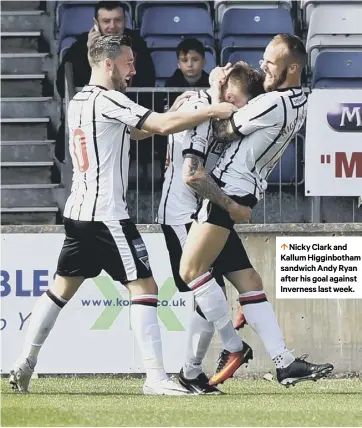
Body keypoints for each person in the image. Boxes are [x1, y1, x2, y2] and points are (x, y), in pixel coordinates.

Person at [8, 35, 237, 395]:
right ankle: (156, 379)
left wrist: (178, 110)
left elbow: (136, 131)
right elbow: (158, 126)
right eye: (129, 62)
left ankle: (25, 361)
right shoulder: (108, 99)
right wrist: (210, 110)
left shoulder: (79, 101)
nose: (134, 69)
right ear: (108, 63)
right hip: (107, 216)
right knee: (144, 288)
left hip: (78, 214)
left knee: (58, 291)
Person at [179, 34, 334, 387]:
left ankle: (234, 347)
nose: (264, 65)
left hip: (227, 190)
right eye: (264, 59)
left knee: (191, 271)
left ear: (291, 68)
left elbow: (221, 129)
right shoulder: (299, 101)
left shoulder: (272, 104)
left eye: (271, 61)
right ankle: (282, 361)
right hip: (247, 191)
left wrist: (215, 92)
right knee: (248, 282)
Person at [158, 62, 265, 394]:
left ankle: (194, 372)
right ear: (231, 95)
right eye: (245, 106)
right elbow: (191, 171)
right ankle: (230, 347)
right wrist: (232, 206)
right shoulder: (197, 107)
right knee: (205, 287)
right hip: (183, 214)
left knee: (237, 282)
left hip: (208, 210)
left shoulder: (212, 109)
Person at [56, 1, 155, 98]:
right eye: (106, 21)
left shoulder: (137, 43)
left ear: (125, 21)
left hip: (129, 108)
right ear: (96, 23)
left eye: (118, 20)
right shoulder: (82, 45)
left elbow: (148, 81)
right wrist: (89, 51)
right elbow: (62, 85)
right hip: (93, 108)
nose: (112, 26)